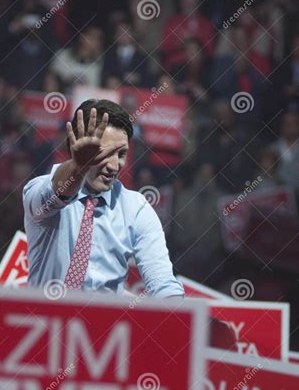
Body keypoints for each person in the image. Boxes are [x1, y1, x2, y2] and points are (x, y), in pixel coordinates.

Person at [23, 99, 184, 298]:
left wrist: (181, 320)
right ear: (74, 146)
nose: (114, 165)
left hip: (107, 327)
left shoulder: (137, 208)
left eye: (121, 154)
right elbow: (55, 195)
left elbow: (163, 285)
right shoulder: (36, 189)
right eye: (103, 153)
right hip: (43, 324)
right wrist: (78, 166)